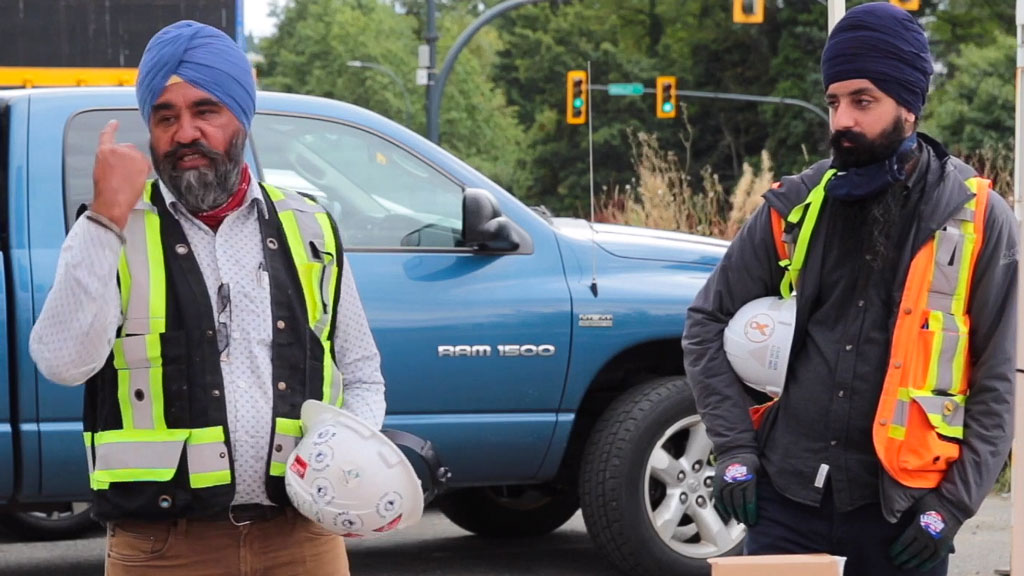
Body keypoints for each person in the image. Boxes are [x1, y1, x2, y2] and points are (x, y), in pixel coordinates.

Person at [29, 20, 385, 576]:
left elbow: (361, 374)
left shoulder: (309, 227)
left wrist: (352, 459)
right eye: (166, 117)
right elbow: (62, 363)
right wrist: (104, 216)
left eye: (206, 111)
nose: (185, 132)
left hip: (302, 541)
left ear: (241, 118)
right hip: (162, 548)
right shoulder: (111, 229)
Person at [681, 3, 1016, 575]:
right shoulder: (794, 206)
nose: (842, 120)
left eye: (863, 101)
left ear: (908, 108)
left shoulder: (978, 218)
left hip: (904, 517)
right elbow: (706, 323)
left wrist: (949, 508)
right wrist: (736, 450)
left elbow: (995, 382)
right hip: (785, 505)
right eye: (835, 102)